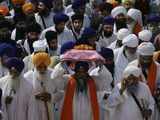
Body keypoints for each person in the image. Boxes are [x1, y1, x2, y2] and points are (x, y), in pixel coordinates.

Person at [128, 42, 160, 120]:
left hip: (153, 106)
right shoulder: (131, 67)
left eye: (148, 58)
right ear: (139, 56)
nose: (146, 61)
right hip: (136, 106)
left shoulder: (158, 67)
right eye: (144, 58)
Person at [26, 52, 59, 120]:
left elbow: (61, 92)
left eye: (45, 67)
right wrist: (34, 96)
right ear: (35, 65)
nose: (42, 69)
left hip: (49, 111)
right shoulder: (28, 76)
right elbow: (23, 96)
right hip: (34, 111)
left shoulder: (53, 74)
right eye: (39, 67)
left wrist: (50, 96)